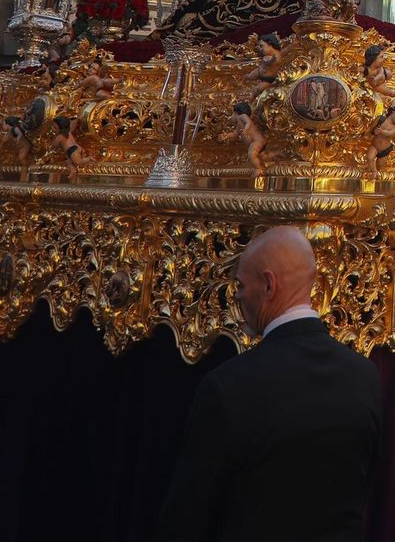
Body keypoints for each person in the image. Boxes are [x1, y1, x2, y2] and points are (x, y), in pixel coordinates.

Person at [157, 227, 380, 542]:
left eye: (241, 284)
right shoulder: (365, 377)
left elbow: (187, 517)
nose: (236, 295)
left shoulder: (229, 387)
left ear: (268, 284)